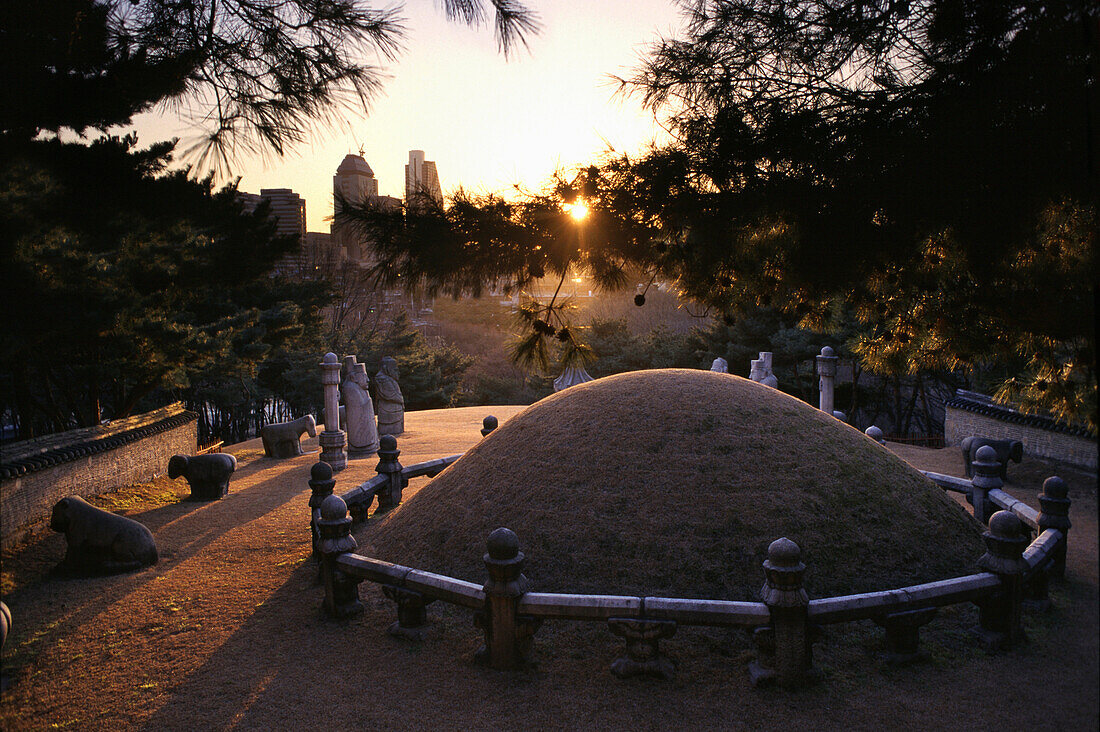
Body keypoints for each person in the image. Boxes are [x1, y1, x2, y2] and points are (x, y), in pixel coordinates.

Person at [341, 364, 379, 457]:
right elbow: (359, 411)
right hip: (360, 436)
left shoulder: (358, 388)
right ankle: (366, 444)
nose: (368, 380)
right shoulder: (350, 388)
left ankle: (371, 443)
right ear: (354, 378)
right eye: (364, 376)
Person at [375, 356, 405, 436]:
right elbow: (390, 395)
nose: (397, 372)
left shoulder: (388, 379)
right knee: (389, 430)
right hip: (388, 411)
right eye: (395, 369)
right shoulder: (382, 379)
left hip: (393, 410)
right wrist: (400, 399)